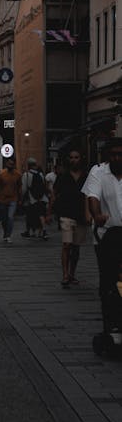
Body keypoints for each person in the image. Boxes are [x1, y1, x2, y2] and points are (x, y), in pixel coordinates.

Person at [83, 138, 122, 342]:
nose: (117, 158)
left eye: (120, 154)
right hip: (108, 236)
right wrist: (97, 215)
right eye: (113, 154)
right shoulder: (98, 172)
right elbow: (93, 197)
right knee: (109, 281)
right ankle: (111, 325)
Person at [49, 149, 89, 288]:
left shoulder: (86, 176)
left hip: (81, 215)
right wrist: (50, 211)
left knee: (76, 247)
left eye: (76, 157)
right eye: (71, 157)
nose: (74, 160)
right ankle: (65, 274)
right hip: (66, 214)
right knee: (66, 245)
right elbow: (54, 193)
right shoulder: (63, 176)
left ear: (80, 159)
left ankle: (72, 273)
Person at [0, 156, 22, 243]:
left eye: (12, 164)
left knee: (10, 217)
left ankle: (8, 235)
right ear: (6, 164)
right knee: (4, 218)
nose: (10, 165)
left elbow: (19, 187)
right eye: (9, 163)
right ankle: (6, 233)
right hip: (2, 199)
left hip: (13, 198)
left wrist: (20, 198)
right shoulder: (2, 174)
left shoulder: (17, 174)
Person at [21, 158, 49, 239]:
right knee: (41, 214)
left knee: (30, 215)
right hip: (42, 198)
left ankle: (30, 231)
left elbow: (24, 189)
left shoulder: (26, 175)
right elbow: (44, 186)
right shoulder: (40, 174)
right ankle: (43, 231)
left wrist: (22, 198)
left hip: (32, 199)